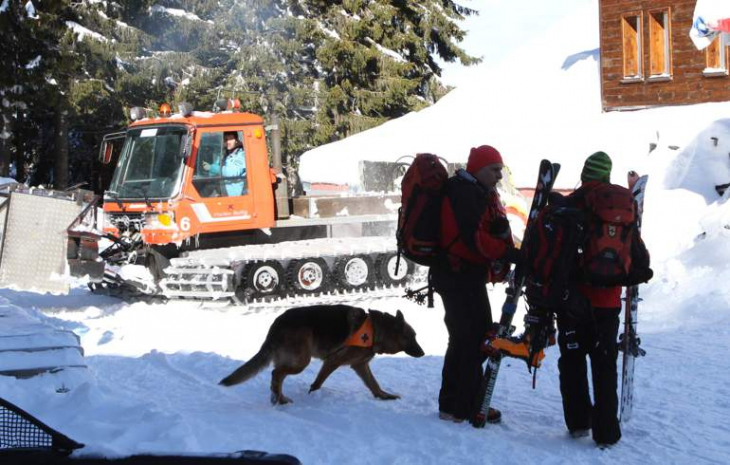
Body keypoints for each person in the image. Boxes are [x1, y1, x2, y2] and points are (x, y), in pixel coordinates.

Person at [431, 145, 519, 425]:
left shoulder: (470, 190)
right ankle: (464, 406)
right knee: (473, 339)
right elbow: (474, 240)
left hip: (459, 275)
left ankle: (455, 403)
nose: (498, 177)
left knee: (464, 338)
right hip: (459, 276)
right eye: (494, 170)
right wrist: (508, 253)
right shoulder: (465, 194)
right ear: (479, 168)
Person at [557, 151, 623, 448]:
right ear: (608, 176)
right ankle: (607, 432)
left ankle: (579, 423)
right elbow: (636, 255)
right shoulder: (621, 207)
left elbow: (555, 253)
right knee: (605, 364)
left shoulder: (570, 204)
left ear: (584, 174)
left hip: (573, 299)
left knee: (572, 359)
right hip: (608, 300)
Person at [203, 131, 246, 196]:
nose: (228, 142)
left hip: (234, 196)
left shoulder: (241, 155)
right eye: (226, 139)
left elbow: (232, 172)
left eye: (231, 139)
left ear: (236, 140)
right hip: (223, 190)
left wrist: (211, 167)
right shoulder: (225, 154)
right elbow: (212, 173)